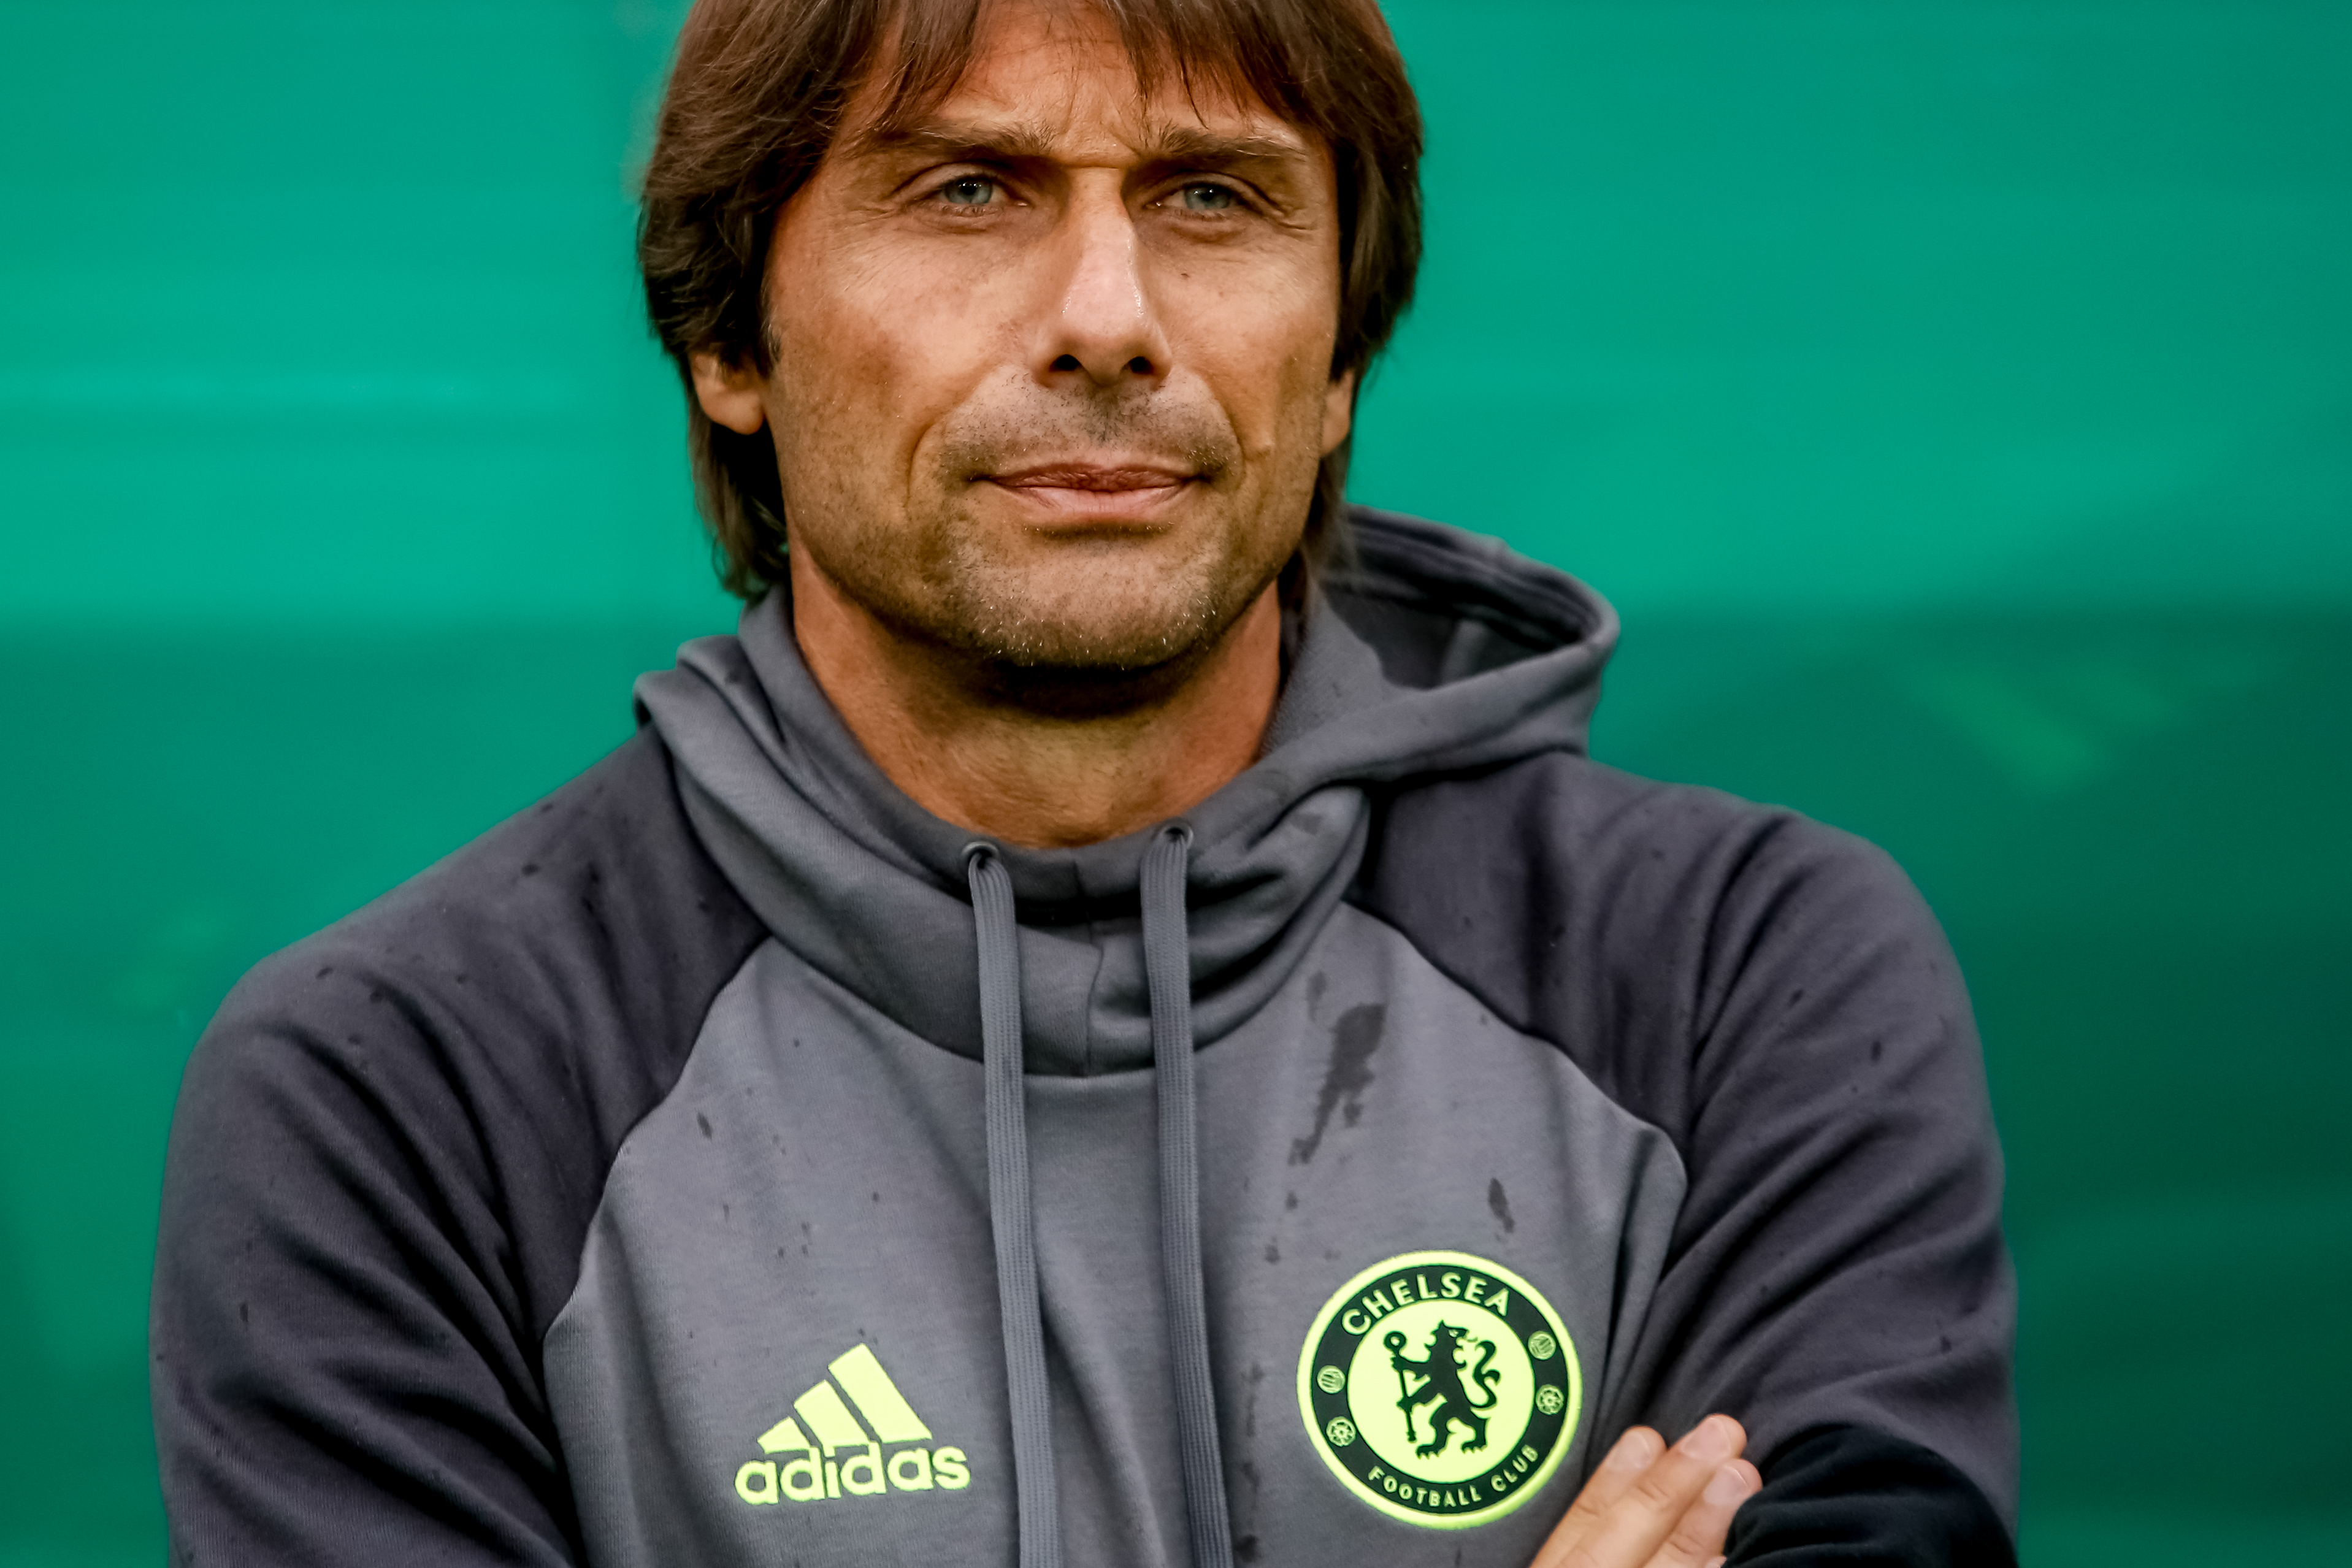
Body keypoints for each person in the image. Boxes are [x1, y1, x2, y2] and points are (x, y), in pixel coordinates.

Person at [148, 0, 2017, 1562]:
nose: (1108, 315)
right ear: (730, 337)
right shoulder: (404, 1085)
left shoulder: (1733, 975)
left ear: (1345, 343)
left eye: (1212, 197)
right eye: (968, 190)